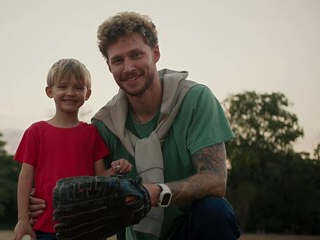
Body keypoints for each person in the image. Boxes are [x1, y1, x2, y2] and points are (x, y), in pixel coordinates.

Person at [29, 12, 241, 240]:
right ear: (109, 66)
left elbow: (215, 179)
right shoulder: (104, 125)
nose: (128, 67)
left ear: (155, 53)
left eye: (136, 55)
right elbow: (83, 180)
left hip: (188, 229)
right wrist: (41, 201)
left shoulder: (195, 99)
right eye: (118, 60)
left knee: (214, 211)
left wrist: (155, 193)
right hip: (133, 235)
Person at [12, 58, 132, 240]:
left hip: (86, 227)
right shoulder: (36, 132)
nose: (70, 93)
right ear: (49, 91)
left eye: (78, 87)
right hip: (46, 228)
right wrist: (22, 219)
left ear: (88, 93)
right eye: (62, 86)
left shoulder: (91, 133)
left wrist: (118, 168)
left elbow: (100, 179)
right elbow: (25, 178)